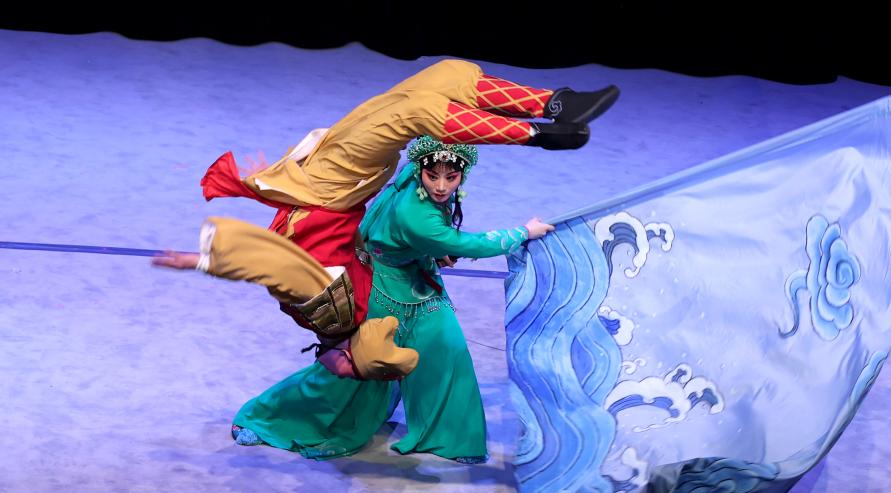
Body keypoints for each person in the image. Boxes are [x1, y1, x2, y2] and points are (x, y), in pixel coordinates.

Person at [154, 59, 619, 383]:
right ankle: (547, 122)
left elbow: (272, 266)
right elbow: (382, 246)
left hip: (323, 187)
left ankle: (552, 116)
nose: (342, 371)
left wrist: (204, 260)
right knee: (431, 92)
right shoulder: (355, 309)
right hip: (333, 188)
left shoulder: (330, 311)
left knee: (434, 85)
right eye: (352, 370)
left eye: (349, 368)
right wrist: (434, 251)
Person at [233, 136, 553, 463]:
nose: (442, 186)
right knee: (354, 373)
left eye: (452, 177)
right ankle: (267, 418)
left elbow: (426, 238)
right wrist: (523, 232)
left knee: (448, 349)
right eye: (433, 176)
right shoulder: (415, 215)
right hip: (380, 290)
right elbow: (466, 244)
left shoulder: (412, 178)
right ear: (420, 169)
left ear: (463, 174)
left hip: (421, 285)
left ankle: (453, 440)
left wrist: (428, 252)